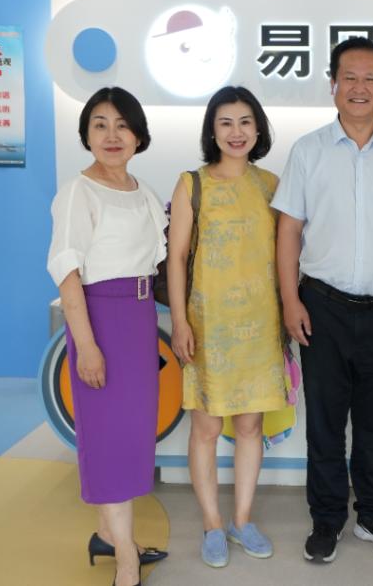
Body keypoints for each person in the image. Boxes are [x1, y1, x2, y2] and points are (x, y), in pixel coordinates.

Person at [271, 37, 373, 563]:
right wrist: (290, 300)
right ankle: (326, 520)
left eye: (370, 78)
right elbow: (289, 230)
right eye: (349, 77)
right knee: (324, 422)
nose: (359, 87)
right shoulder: (308, 151)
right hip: (321, 306)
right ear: (333, 85)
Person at [47, 87, 169, 586]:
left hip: (139, 318)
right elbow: (66, 271)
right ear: (86, 135)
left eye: (122, 124)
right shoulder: (79, 192)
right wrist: (87, 345)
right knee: (109, 438)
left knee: (130, 435)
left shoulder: (143, 191)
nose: (112, 135)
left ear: (138, 134)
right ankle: (126, 560)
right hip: (100, 318)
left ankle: (107, 534)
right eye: (100, 124)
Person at [167, 86, 288, 568]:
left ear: (258, 129)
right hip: (207, 326)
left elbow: (289, 253)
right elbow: (176, 258)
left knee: (250, 425)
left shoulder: (272, 185)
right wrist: (180, 321)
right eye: (225, 123)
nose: (236, 132)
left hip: (260, 325)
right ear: (211, 131)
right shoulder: (191, 184)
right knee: (206, 426)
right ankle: (212, 525)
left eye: (245, 122)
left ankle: (242, 520)